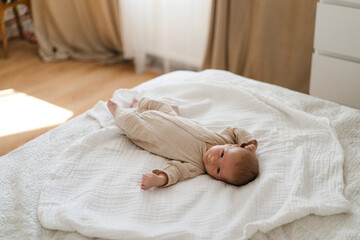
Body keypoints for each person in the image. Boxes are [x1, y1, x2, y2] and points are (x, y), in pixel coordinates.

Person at [107, 97, 259, 190]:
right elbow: (235, 130)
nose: (213, 160)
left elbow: (177, 172)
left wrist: (159, 179)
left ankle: (117, 112)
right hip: (171, 117)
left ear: (219, 179)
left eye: (218, 169)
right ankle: (137, 106)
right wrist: (247, 143)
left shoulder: (196, 167)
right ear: (231, 146)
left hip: (149, 132)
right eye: (221, 154)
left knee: (129, 122)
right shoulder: (223, 139)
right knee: (162, 106)